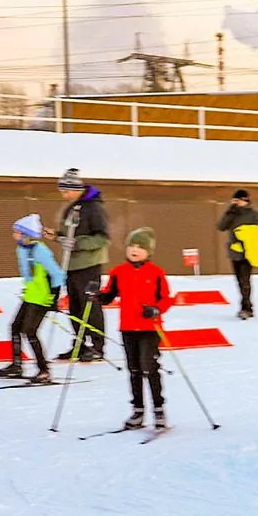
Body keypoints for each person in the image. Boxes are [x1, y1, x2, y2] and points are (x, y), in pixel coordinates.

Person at [99, 228, 173, 430]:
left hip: (149, 328)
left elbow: (166, 298)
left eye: (140, 247)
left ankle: (159, 409)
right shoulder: (118, 272)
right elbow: (108, 295)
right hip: (128, 328)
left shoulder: (156, 273)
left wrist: (156, 309)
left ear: (149, 252)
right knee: (134, 370)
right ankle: (138, 410)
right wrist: (95, 295)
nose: (134, 250)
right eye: (131, 246)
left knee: (150, 367)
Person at [0, 214, 65, 384]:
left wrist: (53, 298)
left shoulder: (41, 251)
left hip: (42, 298)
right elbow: (29, 274)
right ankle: (16, 365)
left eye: (17, 232)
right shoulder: (21, 249)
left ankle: (44, 370)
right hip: (31, 295)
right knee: (16, 327)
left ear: (26, 234)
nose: (14, 235)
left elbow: (57, 274)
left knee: (30, 331)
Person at [55, 168, 110, 362]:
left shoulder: (94, 208)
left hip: (89, 264)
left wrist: (79, 244)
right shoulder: (72, 208)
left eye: (66, 190)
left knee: (90, 305)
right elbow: (68, 234)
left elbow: (102, 237)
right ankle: (79, 344)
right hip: (72, 264)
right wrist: (56, 236)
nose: (64, 195)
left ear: (76, 188)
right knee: (75, 307)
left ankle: (97, 345)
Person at [218, 189, 258, 320]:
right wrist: (230, 211)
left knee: (245, 280)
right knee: (239, 280)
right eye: (235, 200)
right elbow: (221, 226)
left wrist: (244, 234)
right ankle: (245, 305)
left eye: (239, 200)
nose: (238, 202)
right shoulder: (232, 213)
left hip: (248, 251)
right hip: (235, 251)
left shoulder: (253, 214)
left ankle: (247, 308)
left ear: (246, 200)